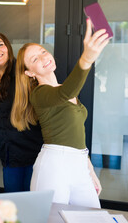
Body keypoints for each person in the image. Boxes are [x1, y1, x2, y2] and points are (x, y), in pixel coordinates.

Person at [11, 19, 109, 208]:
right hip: (54, 165)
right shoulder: (39, 95)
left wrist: (90, 171)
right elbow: (65, 93)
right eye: (35, 59)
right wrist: (87, 58)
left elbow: (76, 134)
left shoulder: (66, 88)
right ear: (29, 73)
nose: (43, 57)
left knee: (92, 216)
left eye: (43, 52)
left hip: (79, 163)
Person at [0, 32, 43, 192]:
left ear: (8, 48)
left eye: (0, 44)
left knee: (32, 207)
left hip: (32, 154)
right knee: (14, 205)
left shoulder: (25, 73)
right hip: (8, 156)